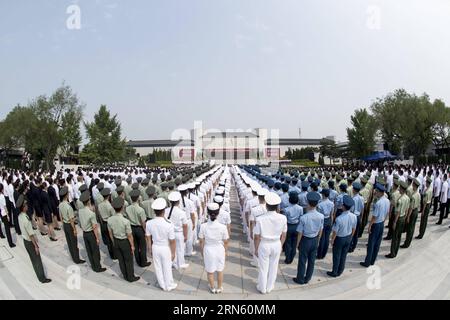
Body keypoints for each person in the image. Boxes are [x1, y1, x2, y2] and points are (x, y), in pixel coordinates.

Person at [254, 192, 287, 294]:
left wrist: (256, 249)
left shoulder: (260, 219)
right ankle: (270, 287)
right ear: (277, 206)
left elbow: (256, 236)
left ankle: (262, 288)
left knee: (263, 267)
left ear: (266, 206)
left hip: (264, 244)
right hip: (276, 243)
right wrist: (281, 246)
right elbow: (284, 234)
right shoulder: (283, 218)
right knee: (274, 266)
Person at [17, 195, 51, 283]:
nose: (27, 206)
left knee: (33, 259)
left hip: (25, 241)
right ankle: (42, 278)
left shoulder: (20, 216)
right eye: (26, 205)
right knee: (37, 260)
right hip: (30, 241)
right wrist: (35, 245)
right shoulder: (25, 219)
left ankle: (39, 276)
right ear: (23, 207)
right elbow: (31, 234)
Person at [145, 198, 177, 291]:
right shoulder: (169, 224)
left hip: (155, 246)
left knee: (158, 267)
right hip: (165, 247)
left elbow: (148, 237)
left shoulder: (149, 223)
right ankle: (169, 284)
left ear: (154, 211)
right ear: (163, 210)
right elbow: (172, 241)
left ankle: (162, 284)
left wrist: (149, 248)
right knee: (167, 266)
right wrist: (173, 252)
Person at [199, 203, 229, 294]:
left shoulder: (203, 226)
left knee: (210, 270)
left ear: (208, 212)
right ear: (218, 213)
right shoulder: (223, 227)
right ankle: (219, 287)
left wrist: (201, 251)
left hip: (208, 249)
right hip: (220, 249)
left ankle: (212, 288)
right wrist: (226, 251)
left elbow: (201, 240)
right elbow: (226, 241)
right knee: (220, 270)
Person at [108, 196, 140, 282]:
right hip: (125, 242)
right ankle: (130, 277)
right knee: (128, 260)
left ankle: (125, 274)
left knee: (121, 260)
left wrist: (113, 241)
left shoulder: (110, 219)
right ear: (122, 207)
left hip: (116, 241)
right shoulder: (125, 221)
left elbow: (110, 233)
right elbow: (129, 235)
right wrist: (132, 246)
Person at [294, 192, 323, 285]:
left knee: (302, 261)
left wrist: (297, 244)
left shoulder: (304, 217)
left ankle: (300, 279)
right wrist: (318, 240)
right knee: (311, 261)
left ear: (308, 203)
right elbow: (320, 230)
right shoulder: (321, 216)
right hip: (314, 239)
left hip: (305, 240)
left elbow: (300, 233)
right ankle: (308, 278)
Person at [327, 195, 357, 278]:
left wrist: (332, 240)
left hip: (340, 239)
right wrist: (351, 236)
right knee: (343, 255)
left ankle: (334, 272)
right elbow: (354, 228)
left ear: (343, 206)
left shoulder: (339, 219)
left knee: (336, 255)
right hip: (348, 237)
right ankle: (340, 270)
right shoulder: (354, 216)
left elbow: (335, 232)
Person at [360, 184, 390, 267]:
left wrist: (370, 226)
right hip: (381, 223)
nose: (375, 192)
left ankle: (367, 262)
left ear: (380, 192)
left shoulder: (378, 203)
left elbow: (374, 216)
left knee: (371, 244)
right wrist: (383, 221)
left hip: (376, 224)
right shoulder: (387, 200)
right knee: (377, 244)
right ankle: (372, 260)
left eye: (376, 191)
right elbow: (387, 212)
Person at [78, 191, 106, 272]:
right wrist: (97, 238)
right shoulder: (91, 214)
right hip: (91, 234)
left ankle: (93, 265)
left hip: (85, 233)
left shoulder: (80, 211)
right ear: (89, 201)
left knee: (89, 250)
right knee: (95, 251)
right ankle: (97, 267)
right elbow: (94, 227)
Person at [59, 187, 85, 264]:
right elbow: (71, 220)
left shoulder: (60, 204)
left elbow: (60, 216)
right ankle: (77, 259)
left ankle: (73, 257)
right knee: (74, 242)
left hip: (65, 224)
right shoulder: (68, 206)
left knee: (69, 242)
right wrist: (74, 229)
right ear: (66, 195)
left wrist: (63, 224)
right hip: (70, 225)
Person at [125, 189, 151, 268]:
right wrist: (146, 231)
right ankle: (143, 262)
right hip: (139, 228)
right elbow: (143, 222)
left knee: (135, 245)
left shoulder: (127, 208)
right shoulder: (140, 210)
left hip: (132, 228)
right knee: (142, 246)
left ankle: (138, 260)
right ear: (138, 198)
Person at [386, 181, 410, 259]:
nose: (398, 189)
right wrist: (405, 217)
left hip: (399, 218)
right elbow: (407, 209)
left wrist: (394, 222)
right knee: (399, 236)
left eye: (400, 188)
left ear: (402, 189)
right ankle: (396, 251)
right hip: (403, 218)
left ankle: (392, 253)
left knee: (395, 236)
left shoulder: (400, 200)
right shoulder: (407, 198)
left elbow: (398, 212)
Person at [165, 191, 189, 269]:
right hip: (179, 233)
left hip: (169, 233)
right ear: (178, 201)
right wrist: (185, 235)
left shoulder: (166, 211)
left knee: (171, 249)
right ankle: (180, 263)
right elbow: (185, 225)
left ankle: (173, 262)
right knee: (180, 249)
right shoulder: (181, 212)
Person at [283, 192, 303, 264]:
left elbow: (285, 219)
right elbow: (301, 218)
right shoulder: (300, 208)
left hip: (289, 226)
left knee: (288, 243)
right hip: (297, 226)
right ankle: (292, 256)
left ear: (289, 200)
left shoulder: (286, 209)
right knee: (294, 243)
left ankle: (287, 258)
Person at [401, 178, 421, 248]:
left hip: (412, 212)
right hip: (416, 211)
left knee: (410, 228)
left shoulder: (413, 196)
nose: (412, 185)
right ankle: (408, 241)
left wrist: (408, 217)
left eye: (413, 184)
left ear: (414, 185)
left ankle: (407, 243)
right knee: (412, 227)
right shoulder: (418, 194)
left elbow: (411, 208)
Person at [98, 188, 116, 260]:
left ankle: (111, 254)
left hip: (103, 223)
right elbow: (113, 216)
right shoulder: (109, 206)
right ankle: (114, 255)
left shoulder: (100, 205)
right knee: (112, 239)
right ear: (108, 196)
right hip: (109, 223)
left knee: (108, 241)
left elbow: (99, 214)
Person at [316, 188, 334, 259]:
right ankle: (324, 254)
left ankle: (320, 254)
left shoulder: (320, 204)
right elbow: (332, 214)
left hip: (322, 220)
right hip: (329, 220)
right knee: (327, 238)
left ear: (323, 195)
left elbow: (319, 216)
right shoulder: (332, 203)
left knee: (321, 238)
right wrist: (331, 222)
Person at [349, 182, 364, 253]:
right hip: (358, 216)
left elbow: (351, 210)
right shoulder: (361, 198)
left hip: (353, 216)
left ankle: (350, 247)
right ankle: (354, 246)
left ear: (354, 190)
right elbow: (362, 209)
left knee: (351, 232)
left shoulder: (353, 199)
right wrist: (361, 217)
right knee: (356, 233)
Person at [0, 183, 15, 247]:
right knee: (7, 228)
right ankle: (10, 243)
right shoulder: (2, 196)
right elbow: (5, 206)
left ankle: (1, 234)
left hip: (0, 212)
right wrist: (8, 215)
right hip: (4, 213)